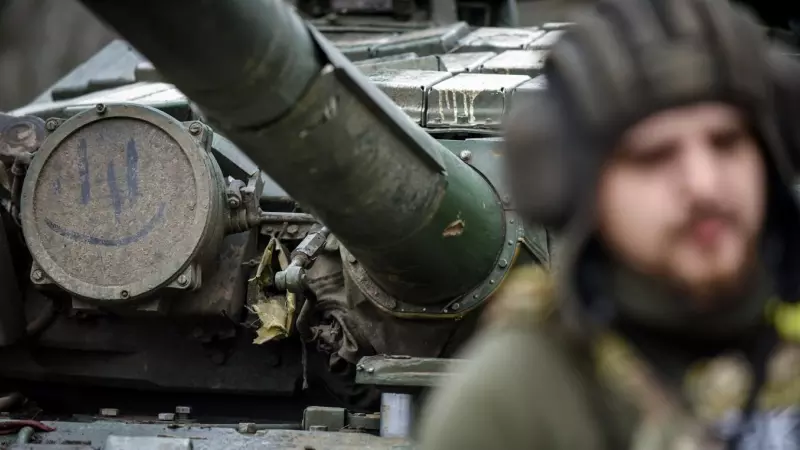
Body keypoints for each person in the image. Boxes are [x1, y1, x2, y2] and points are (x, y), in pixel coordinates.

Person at [417, 0, 800, 448]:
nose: (704, 185)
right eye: (653, 157)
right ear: (582, 187)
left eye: (727, 142)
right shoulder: (517, 404)